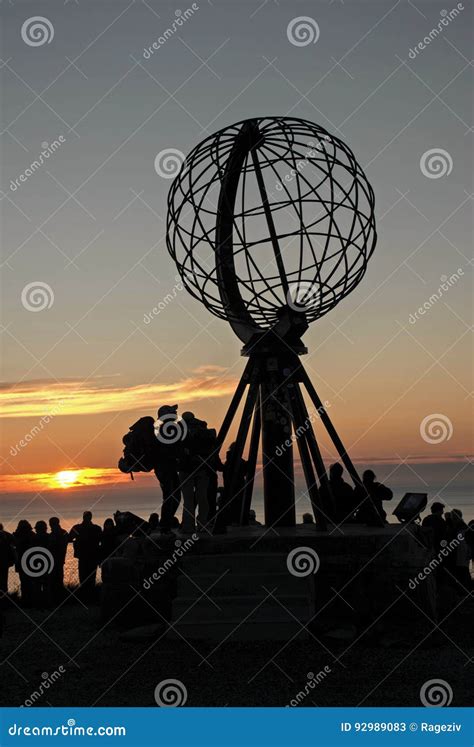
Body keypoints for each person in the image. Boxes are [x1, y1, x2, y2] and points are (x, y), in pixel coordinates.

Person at [179, 412, 215, 533]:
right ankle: (202, 525)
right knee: (203, 498)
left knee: (188, 500)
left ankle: (188, 527)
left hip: (185, 470)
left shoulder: (179, 429)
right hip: (202, 468)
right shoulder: (203, 429)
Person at [154, 404, 182, 532]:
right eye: (172, 412)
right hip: (165, 468)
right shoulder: (164, 429)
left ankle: (166, 523)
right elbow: (171, 449)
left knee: (173, 496)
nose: (175, 414)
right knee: (170, 496)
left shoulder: (163, 428)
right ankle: (165, 525)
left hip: (166, 468)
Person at [68, 511, 102, 601]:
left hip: (86, 556)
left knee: (85, 577)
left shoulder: (78, 527)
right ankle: (90, 597)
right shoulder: (96, 528)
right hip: (90, 556)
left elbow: (69, 538)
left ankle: (86, 597)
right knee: (89, 578)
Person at [221, 442, 248, 526]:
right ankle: (235, 521)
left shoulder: (228, 462)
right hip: (237, 487)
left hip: (230, 487)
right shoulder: (237, 461)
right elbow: (243, 472)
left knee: (232, 505)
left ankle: (232, 521)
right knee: (237, 505)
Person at [13, 520, 35, 607]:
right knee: (31, 581)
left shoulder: (16, 536)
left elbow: (14, 545)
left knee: (24, 581)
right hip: (31, 561)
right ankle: (30, 599)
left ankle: (25, 599)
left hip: (21, 561)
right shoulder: (32, 535)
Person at [32, 521, 53, 608]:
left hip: (36, 564)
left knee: (37, 584)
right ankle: (47, 602)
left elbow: (31, 551)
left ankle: (38, 603)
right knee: (47, 584)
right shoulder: (49, 537)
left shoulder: (34, 538)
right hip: (47, 563)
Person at [48, 517, 68, 602]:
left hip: (55, 560)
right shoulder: (63, 533)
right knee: (58, 579)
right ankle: (59, 598)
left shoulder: (54, 534)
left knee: (54, 580)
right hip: (59, 559)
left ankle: (56, 598)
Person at [0, 524, 14, 605]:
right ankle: (4, 600)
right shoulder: (8, 535)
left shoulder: (7, 536)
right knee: (4, 582)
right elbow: (13, 546)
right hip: (5, 563)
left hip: (4, 562)